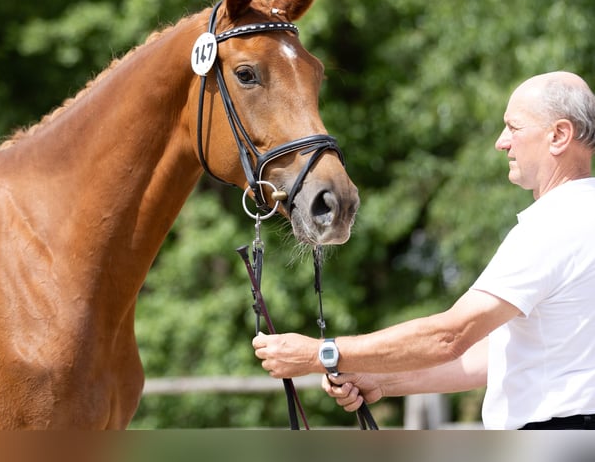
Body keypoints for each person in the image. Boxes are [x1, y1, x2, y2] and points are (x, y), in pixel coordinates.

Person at [252, 70, 595, 430]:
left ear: (558, 135)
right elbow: (504, 354)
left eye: (514, 127)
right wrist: (384, 380)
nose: (501, 142)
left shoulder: (552, 227)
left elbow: (451, 336)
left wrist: (319, 353)